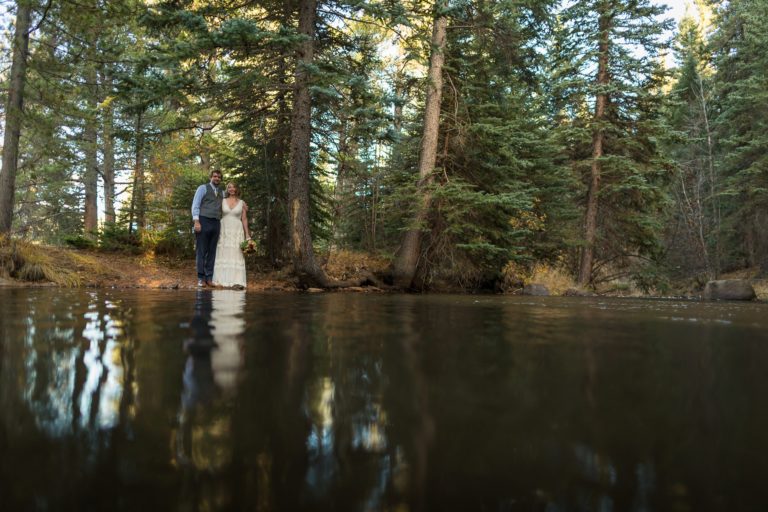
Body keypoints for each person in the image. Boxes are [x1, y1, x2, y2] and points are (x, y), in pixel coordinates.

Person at [212, 182, 251, 289]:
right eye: (229, 187)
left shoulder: (242, 203)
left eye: (234, 187)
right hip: (224, 228)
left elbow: (244, 219)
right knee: (223, 252)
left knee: (236, 252)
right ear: (227, 189)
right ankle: (221, 280)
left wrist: (247, 234)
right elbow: (214, 211)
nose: (232, 189)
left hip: (237, 230)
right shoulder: (222, 200)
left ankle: (236, 280)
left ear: (237, 189)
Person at [191, 170, 223, 287]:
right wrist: (196, 221)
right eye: (215, 176)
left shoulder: (222, 192)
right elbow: (195, 205)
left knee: (212, 251)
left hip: (216, 222)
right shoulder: (202, 188)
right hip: (203, 221)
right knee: (201, 250)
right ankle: (201, 278)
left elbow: (231, 201)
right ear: (211, 177)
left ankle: (209, 277)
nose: (217, 178)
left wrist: (243, 204)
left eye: (219, 177)